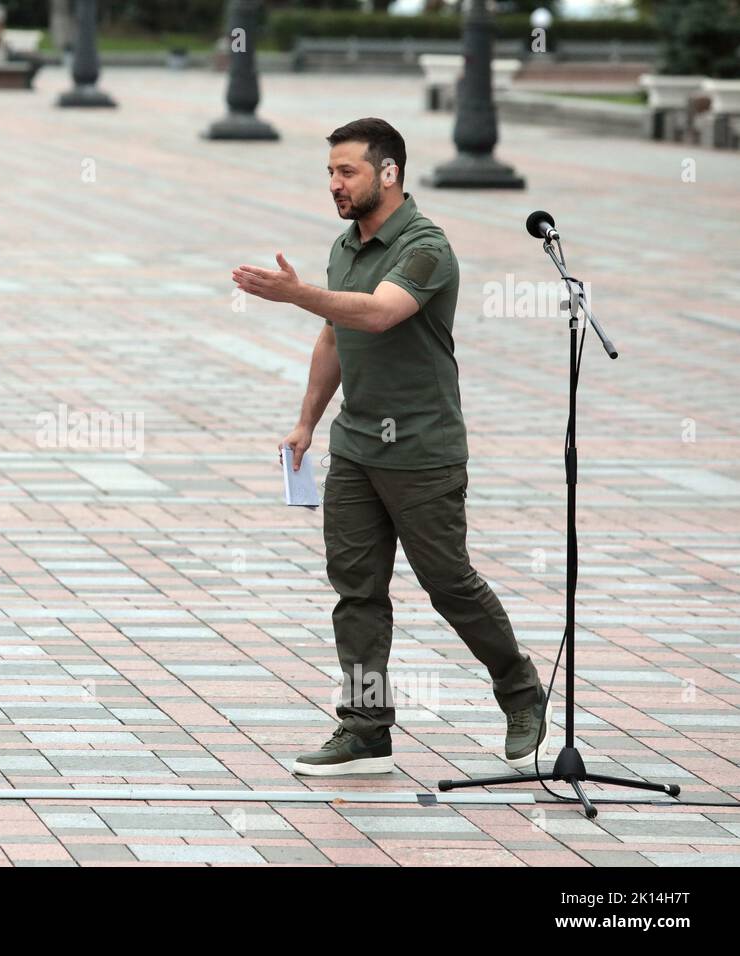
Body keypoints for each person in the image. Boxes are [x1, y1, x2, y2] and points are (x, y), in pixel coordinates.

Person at [232, 117, 551, 776]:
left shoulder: (426, 247)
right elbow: (334, 337)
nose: (334, 184)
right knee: (357, 591)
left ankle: (521, 693)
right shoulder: (344, 246)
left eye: (346, 171)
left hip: (423, 451)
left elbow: (378, 313)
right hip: (356, 447)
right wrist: (307, 423)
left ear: (390, 173)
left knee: (449, 584)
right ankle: (365, 727)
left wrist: (295, 295)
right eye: (329, 172)